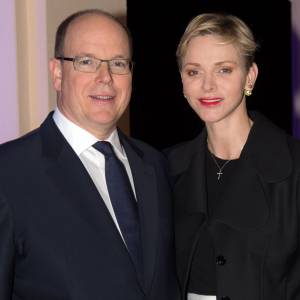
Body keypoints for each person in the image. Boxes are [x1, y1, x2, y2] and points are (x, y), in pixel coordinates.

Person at [0, 9, 179, 300]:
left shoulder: (156, 165)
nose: (105, 77)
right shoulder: (8, 175)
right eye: (87, 62)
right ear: (57, 73)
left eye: (119, 63)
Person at [166, 13, 300, 300]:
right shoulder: (164, 169)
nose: (208, 85)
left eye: (224, 70)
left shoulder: (295, 167)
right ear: (182, 81)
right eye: (194, 72)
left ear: (249, 76)